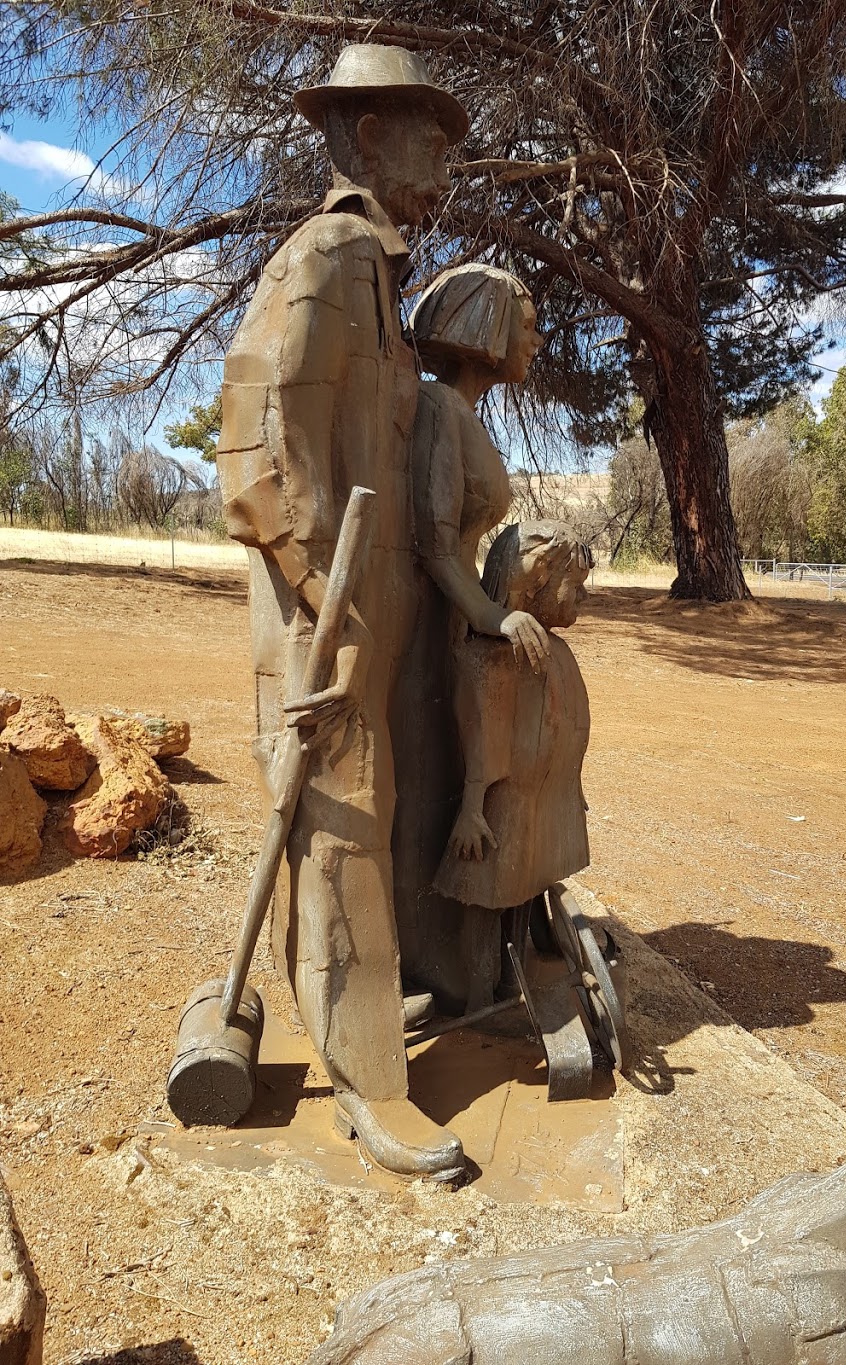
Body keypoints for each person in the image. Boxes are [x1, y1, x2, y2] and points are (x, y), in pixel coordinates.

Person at [215, 44, 468, 1181]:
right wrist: (324, 599)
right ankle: (370, 1083)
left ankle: (376, 992)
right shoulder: (327, 253)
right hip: (327, 613)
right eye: (429, 133)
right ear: (367, 139)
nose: (447, 159)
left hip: (375, 605)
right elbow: (256, 436)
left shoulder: (381, 276)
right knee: (340, 822)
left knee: (379, 813)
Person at [389, 265, 549, 1009]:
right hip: (426, 631)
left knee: (459, 781)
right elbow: (432, 537)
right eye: (526, 324)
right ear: (483, 331)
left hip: (457, 624)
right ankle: (423, 964)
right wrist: (488, 615)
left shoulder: (465, 412)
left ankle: (464, 954)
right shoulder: (436, 407)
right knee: (425, 791)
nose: (536, 339)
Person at [433, 521, 593, 1010]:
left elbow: (568, 729)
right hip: (501, 812)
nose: (583, 596)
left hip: (544, 803)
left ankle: (514, 976)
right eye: (576, 584)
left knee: (524, 888)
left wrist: (572, 785)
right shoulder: (491, 662)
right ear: (535, 582)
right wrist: (473, 806)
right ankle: (483, 996)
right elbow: (485, 738)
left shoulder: (553, 653)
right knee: (491, 897)